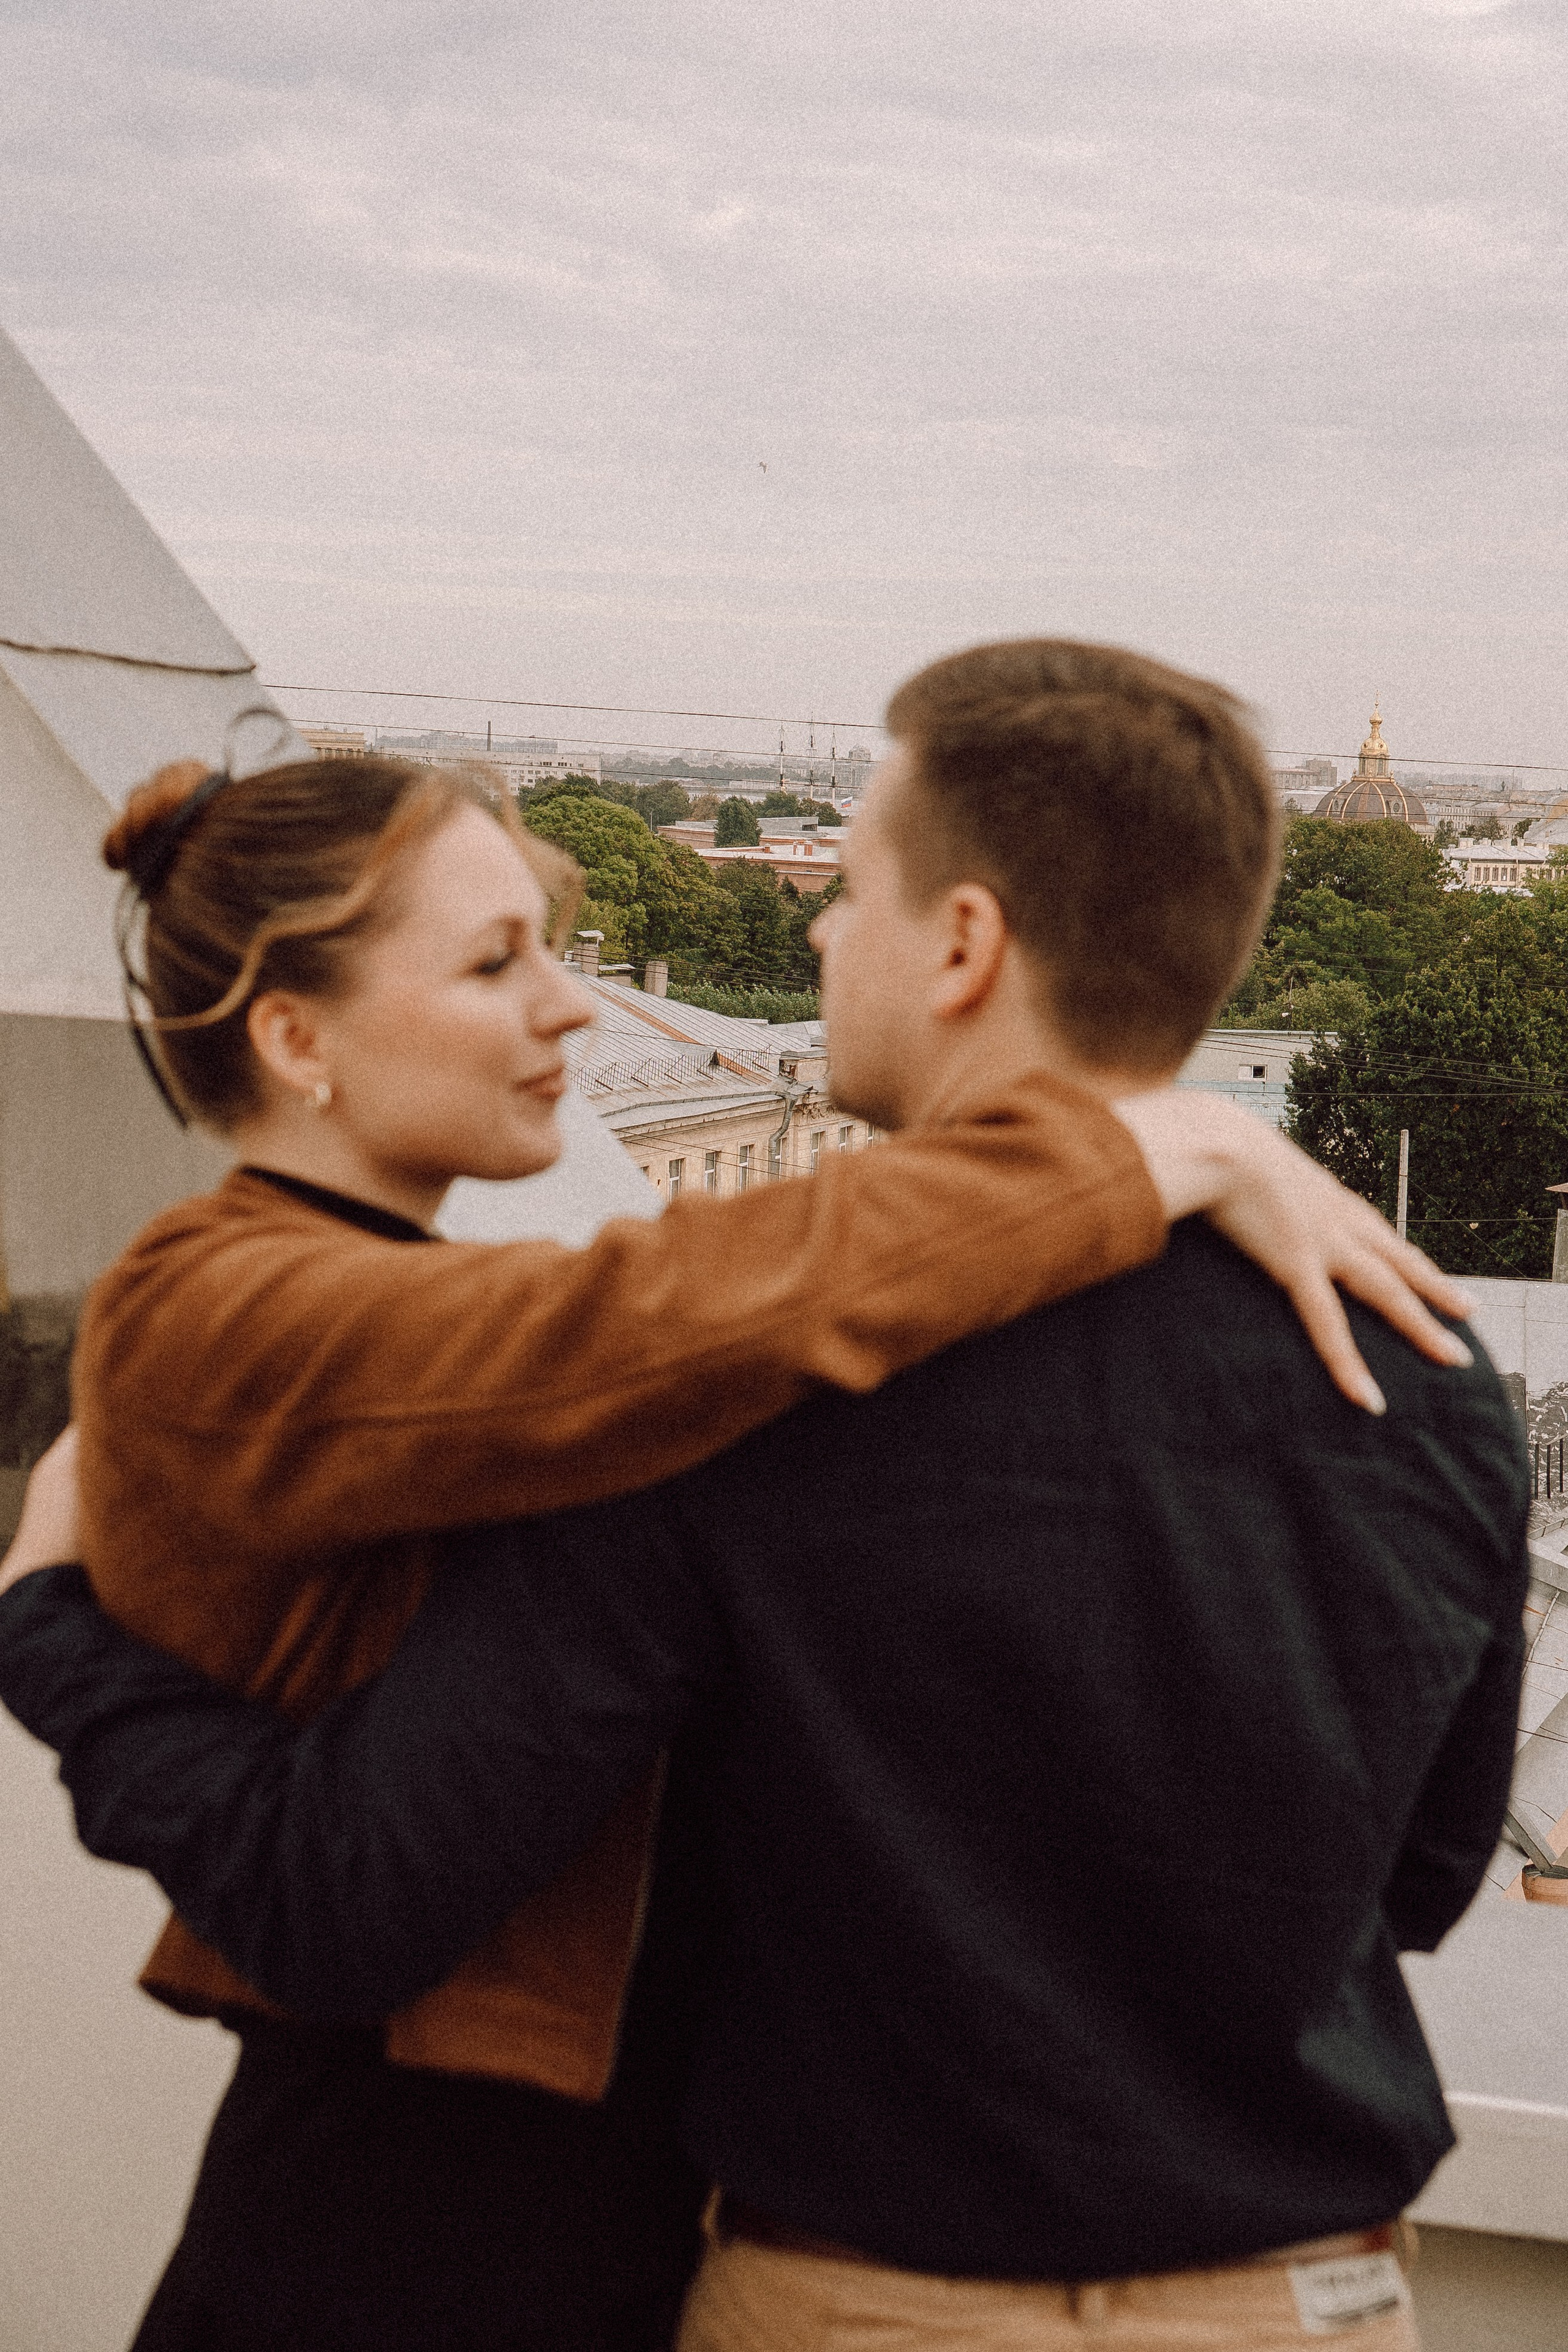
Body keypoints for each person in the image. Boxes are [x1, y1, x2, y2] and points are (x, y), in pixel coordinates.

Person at [0, 640, 1517, 2352]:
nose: (807, 931)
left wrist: (53, 1636)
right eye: (502, 962)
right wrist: (1187, 1142)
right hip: (1310, 2301)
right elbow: (1417, 1880)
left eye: (846, 888)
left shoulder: (727, 1414)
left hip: (792, 2290)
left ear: (962, 945)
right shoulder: (1439, 1378)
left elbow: (362, 1881)